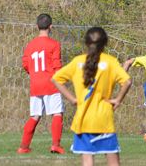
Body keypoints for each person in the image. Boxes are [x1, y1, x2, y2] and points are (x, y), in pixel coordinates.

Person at [52, 27, 132, 166]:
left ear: (86, 43)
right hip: (104, 120)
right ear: (105, 43)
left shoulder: (77, 61)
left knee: (87, 161)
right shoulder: (110, 62)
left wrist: (72, 99)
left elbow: (56, 79)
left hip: (83, 120)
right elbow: (127, 81)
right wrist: (118, 99)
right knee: (113, 162)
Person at [18, 13, 65, 154]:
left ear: (37, 26)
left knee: (35, 115)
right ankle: (55, 145)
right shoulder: (54, 44)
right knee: (57, 113)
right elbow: (57, 65)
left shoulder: (30, 45)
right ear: (51, 27)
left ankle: (23, 147)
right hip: (51, 84)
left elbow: (25, 64)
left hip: (35, 84)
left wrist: (34, 74)